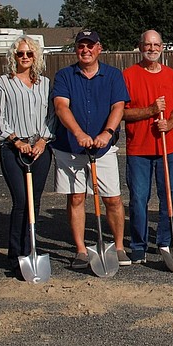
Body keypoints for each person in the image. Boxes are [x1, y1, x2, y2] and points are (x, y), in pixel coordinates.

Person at [50, 29, 130, 268]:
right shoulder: (65, 76)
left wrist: (107, 133)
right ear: (76, 49)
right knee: (76, 198)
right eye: (81, 46)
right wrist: (79, 134)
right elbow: (61, 107)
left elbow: (118, 107)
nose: (85, 50)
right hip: (70, 148)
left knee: (113, 199)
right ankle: (81, 250)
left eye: (90, 46)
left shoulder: (113, 75)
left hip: (103, 148)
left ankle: (118, 246)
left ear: (99, 48)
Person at [0, 35, 55, 279]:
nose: (25, 57)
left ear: (36, 56)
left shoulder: (45, 84)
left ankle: (31, 250)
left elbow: (53, 115)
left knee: (34, 202)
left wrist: (42, 140)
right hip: (13, 149)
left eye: (29, 53)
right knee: (20, 201)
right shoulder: (4, 83)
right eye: (21, 53)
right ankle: (15, 254)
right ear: (14, 56)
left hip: (40, 148)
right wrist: (15, 140)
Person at [122, 30, 173, 263]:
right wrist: (149, 110)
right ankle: (138, 244)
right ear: (140, 47)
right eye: (148, 45)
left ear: (162, 47)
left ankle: (166, 241)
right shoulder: (128, 76)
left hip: (167, 148)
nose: (152, 49)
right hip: (139, 148)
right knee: (139, 198)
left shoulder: (171, 75)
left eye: (156, 45)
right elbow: (122, 113)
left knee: (170, 196)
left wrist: (169, 123)